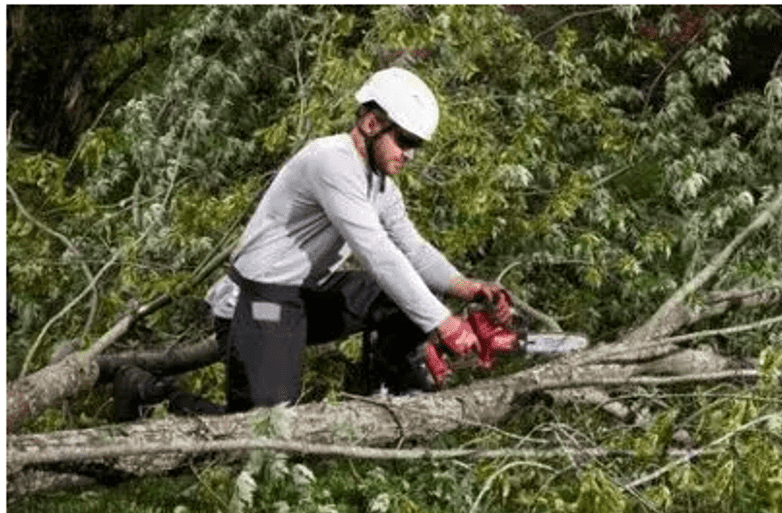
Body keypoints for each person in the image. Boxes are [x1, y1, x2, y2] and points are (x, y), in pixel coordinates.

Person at [114, 67, 509, 420]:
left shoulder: (380, 184)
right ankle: (151, 394)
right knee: (264, 431)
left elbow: (413, 249)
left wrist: (465, 286)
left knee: (407, 297)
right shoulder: (331, 161)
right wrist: (443, 322)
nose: (409, 154)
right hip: (257, 302)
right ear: (371, 123)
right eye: (404, 140)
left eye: (415, 145)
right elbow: (377, 253)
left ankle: (393, 396)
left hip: (301, 293)